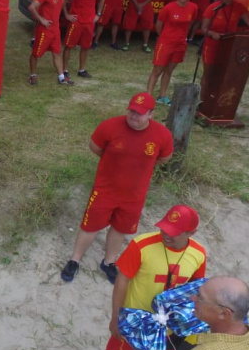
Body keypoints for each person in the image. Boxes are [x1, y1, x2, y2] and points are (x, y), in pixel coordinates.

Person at [107, 205, 207, 350]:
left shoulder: (198, 254)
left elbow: (196, 289)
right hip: (136, 321)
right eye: (164, 228)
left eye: (174, 232)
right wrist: (116, 317)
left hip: (170, 326)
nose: (166, 234)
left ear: (191, 233)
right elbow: (122, 280)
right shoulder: (141, 245)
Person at [60, 92, 174, 283]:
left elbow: (164, 157)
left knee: (120, 228)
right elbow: (95, 147)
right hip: (105, 190)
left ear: (151, 114)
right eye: (132, 111)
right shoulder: (109, 126)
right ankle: (75, 260)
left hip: (134, 195)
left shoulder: (162, 134)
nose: (134, 116)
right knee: (90, 226)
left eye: (140, 113)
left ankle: (109, 262)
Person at [148, 0, 198, 105]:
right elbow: (158, 24)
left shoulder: (193, 8)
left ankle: (162, 96)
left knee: (169, 70)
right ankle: (148, 97)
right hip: (166, 42)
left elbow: (190, 23)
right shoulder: (168, 8)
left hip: (180, 44)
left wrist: (183, 37)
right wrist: (164, 37)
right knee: (157, 70)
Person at [200, 0, 249, 90]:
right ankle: (204, 96)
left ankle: (217, 94)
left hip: (230, 43)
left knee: (225, 72)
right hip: (212, 43)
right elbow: (204, 28)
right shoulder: (213, 8)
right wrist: (213, 34)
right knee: (209, 73)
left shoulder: (239, 6)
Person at [28, 0, 75, 86]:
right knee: (36, 54)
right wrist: (41, 19)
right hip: (44, 30)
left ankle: (61, 77)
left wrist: (66, 14)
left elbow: (61, 2)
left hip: (55, 30)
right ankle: (33, 75)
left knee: (57, 53)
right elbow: (32, 7)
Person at [63, 0, 104, 79]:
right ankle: (64, 70)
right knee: (69, 46)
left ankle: (82, 70)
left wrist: (98, 14)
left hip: (89, 22)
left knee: (86, 46)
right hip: (76, 21)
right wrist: (67, 14)